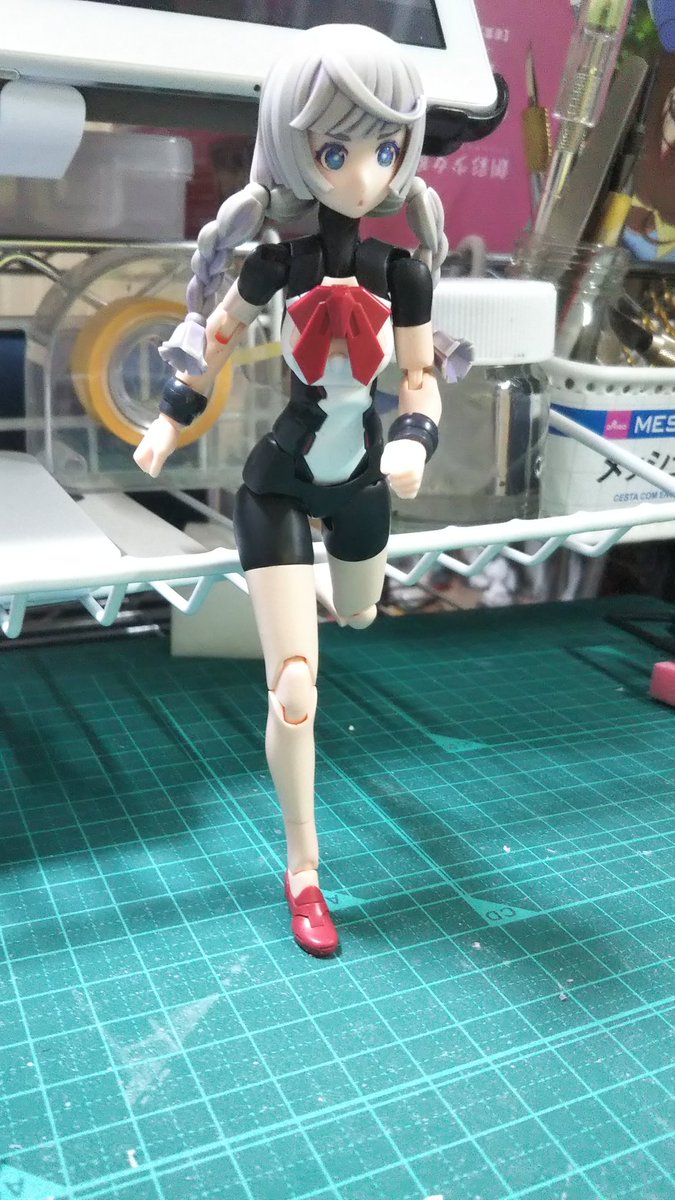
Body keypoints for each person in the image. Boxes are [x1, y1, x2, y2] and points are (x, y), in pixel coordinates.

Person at [134, 23, 457, 957]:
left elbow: (421, 380)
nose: (361, 175)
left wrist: (414, 440)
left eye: (385, 150)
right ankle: (305, 872)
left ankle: (332, 600)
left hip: (362, 485)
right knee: (296, 689)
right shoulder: (273, 266)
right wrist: (167, 422)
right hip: (277, 483)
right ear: (292, 147)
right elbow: (209, 348)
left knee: (358, 614)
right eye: (334, 150)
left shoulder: (403, 274)